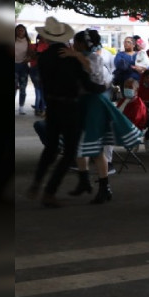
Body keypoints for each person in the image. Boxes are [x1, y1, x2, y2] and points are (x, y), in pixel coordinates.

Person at [27, 17, 107, 207]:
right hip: (71, 108)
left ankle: (37, 181)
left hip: (52, 106)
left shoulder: (44, 58)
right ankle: (50, 191)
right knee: (69, 151)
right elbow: (87, 83)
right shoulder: (71, 58)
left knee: (51, 148)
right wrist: (102, 87)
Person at [66, 29, 143, 203]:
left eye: (77, 42)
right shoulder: (82, 57)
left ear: (84, 44)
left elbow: (99, 79)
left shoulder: (94, 58)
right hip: (84, 104)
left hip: (94, 105)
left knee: (96, 146)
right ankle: (86, 181)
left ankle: (103, 186)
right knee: (80, 145)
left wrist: (76, 57)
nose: (74, 45)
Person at [15, 24, 33, 115]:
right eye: (18, 30)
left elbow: (31, 54)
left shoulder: (28, 41)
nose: (20, 31)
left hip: (23, 66)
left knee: (23, 87)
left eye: (22, 30)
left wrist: (29, 58)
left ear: (25, 32)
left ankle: (21, 107)